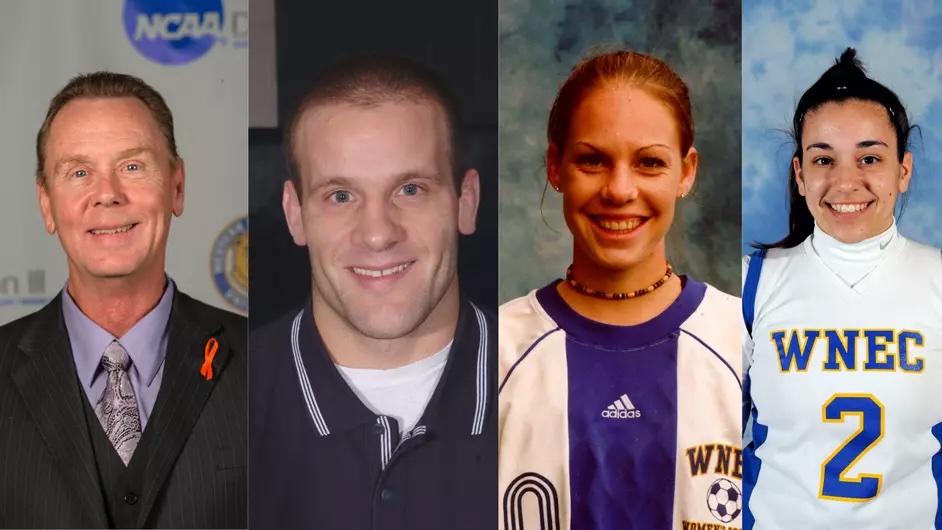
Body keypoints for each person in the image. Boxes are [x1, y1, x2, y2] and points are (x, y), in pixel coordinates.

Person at [249, 55, 496, 529]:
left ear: (466, 203)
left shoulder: (549, 387)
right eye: (341, 196)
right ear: (294, 214)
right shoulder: (220, 406)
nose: (378, 234)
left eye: (410, 190)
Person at [498, 50, 742, 529]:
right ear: (556, 166)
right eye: (592, 160)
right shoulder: (495, 355)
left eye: (650, 162)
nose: (619, 190)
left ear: (686, 172)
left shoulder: (746, 343)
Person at [0, 72, 247, 529]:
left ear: (176, 186)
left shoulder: (263, 363)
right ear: (47, 205)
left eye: (133, 166)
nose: (108, 194)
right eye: (78, 173)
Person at [742, 48, 942, 529]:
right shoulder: (751, 283)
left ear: (904, 170)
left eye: (869, 157)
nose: (845, 181)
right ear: (800, 174)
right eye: (823, 159)